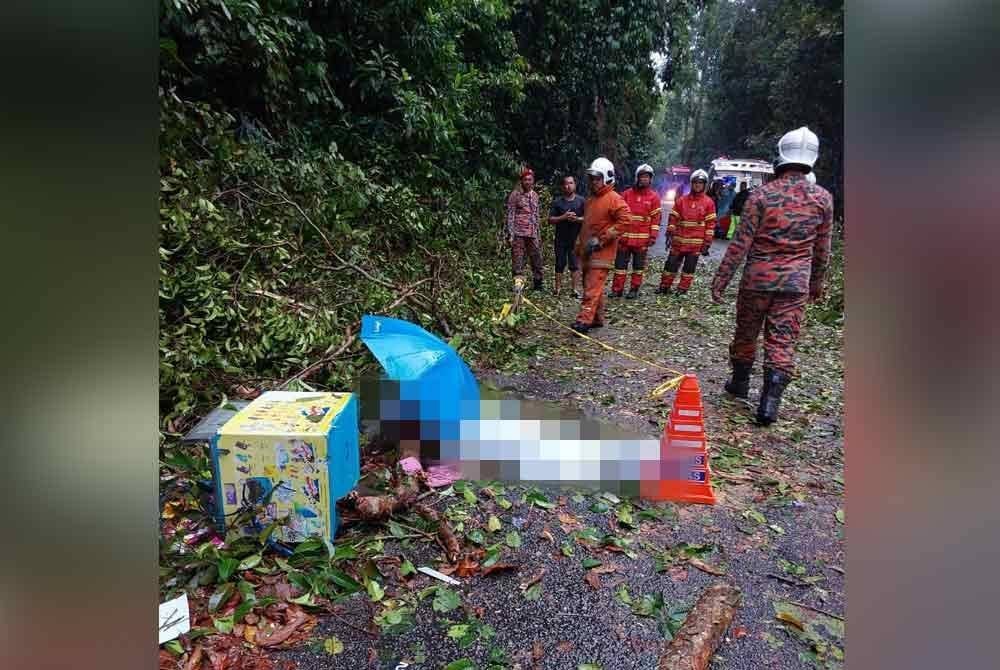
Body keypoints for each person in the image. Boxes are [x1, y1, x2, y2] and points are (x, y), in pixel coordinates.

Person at [711, 126, 834, 426]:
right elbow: (822, 250)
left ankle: (739, 383)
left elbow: (741, 243)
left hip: (757, 281)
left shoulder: (761, 196)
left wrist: (721, 280)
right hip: (795, 285)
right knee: (782, 342)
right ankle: (768, 404)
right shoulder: (822, 199)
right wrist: (816, 284)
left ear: (781, 153)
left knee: (746, 333)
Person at [571, 157, 631, 334]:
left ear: (607, 178)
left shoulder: (614, 199)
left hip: (602, 253)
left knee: (591, 286)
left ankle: (583, 321)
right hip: (588, 251)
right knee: (591, 285)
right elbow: (587, 225)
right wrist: (579, 245)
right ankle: (597, 318)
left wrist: (602, 239)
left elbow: (625, 221)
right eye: (592, 178)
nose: (593, 182)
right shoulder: (590, 200)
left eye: (597, 178)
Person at [656, 169, 716, 295]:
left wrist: (707, 243)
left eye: (700, 183)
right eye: (695, 182)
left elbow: (710, 224)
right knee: (670, 266)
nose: (697, 185)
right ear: (691, 183)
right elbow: (673, 217)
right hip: (679, 242)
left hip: (695, 244)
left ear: (705, 185)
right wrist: (670, 230)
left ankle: (682, 289)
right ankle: (664, 287)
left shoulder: (709, 203)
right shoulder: (681, 200)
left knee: (689, 268)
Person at [612, 164, 662, 298]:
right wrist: (617, 232)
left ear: (650, 179)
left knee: (638, 268)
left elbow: (656, 220)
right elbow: (618, 215)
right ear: (637, 178)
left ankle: (634, 290)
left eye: (647, 177)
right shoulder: (626, 194)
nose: (644, 179)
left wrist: (653, 237)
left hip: (642, 241)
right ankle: (617, 290)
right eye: (642, 176)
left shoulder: (654, 197)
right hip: (624, 239)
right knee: (620, 266)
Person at [505, 168, 543, 291]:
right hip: (519, 232)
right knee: (518, 259)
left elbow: (536, 215)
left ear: (533, 181)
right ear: (521, 181)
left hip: (532, 233)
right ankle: (518, 283)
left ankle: (538, 283)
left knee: (536, 258)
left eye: (530, 179)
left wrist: (538, 234)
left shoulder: (535, 196)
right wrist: (511, 234)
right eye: (525, 179)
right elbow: (511, 214)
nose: (527, 182)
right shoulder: (515, 195)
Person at [548, 175, 585, 297]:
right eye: (565, 184)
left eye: (570, 183)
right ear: (562, 186)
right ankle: (557, 288)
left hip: (576, 238)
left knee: (574, 264)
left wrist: (577, 219)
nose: (568, 186)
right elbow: (550, 219)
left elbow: (588, 218)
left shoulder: (581, 201)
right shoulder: (557, 202)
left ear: (575, 185)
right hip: (560, 238)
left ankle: (574, 289)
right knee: (559, 263)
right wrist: (563, 217)